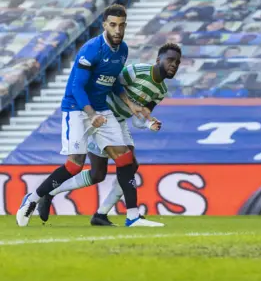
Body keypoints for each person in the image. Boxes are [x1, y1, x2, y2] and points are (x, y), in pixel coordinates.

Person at [16, 4, 155, 227]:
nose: (117, 30)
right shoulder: (91, 49)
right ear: (104, 25)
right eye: (113, 25)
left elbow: (114, 81)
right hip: (77, 108)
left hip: (101, 109)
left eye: (121, 25)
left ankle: (132, 217)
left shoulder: (123, 50)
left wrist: (131, 104)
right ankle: (32, 198)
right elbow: (77, 86)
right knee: (75, 165)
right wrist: (90, 114)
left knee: (125, 158)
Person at [37, 43, 182, 226]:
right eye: (170, 60)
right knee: (100, 173)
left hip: (120, 122)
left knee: (125, 166)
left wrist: (149, 123)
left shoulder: (161, 92)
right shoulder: (136, 72)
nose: (174, 65)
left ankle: (103, 214)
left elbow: (138, 119)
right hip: (103, 118)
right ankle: (51, 191)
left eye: (177, 62)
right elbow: (110, 85)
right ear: (158, 59)